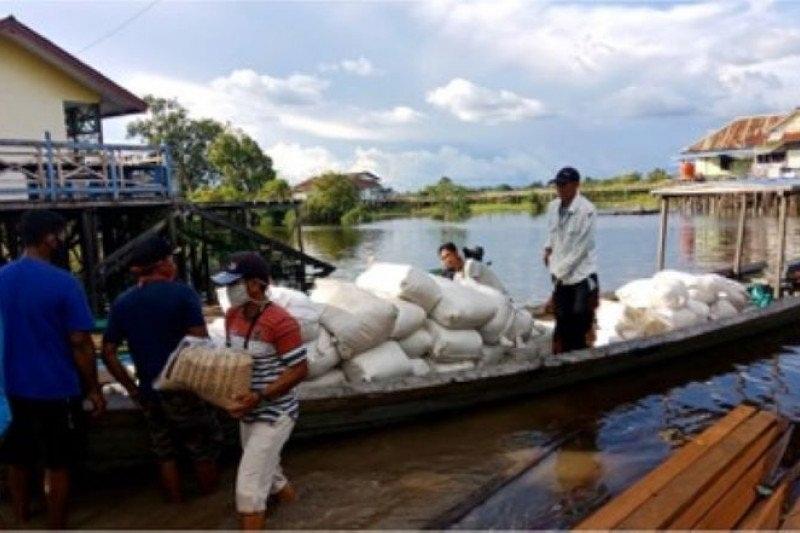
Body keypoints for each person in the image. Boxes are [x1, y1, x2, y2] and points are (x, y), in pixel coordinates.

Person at [0, 210, 105, 529]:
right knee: (58, 462)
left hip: (11, 387)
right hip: (55, 387)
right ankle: (56, 524)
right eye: (59, 235)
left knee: (19, 458)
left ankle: (20, 517)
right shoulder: (64, 283)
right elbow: (79, 342)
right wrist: (93, 387)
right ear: (49, 237)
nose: (61, 241)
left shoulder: (2, 277)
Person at [101, 235, 221, 503]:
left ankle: (177, 507)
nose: (174, 263)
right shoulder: (183, 294)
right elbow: (200, 343)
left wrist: (132, 390)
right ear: (163, 263)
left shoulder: (123, 303)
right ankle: (211, 510)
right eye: (171, 259)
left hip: (148, 391)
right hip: (183, 389)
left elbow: (108, 351)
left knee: (164, 452)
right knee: (201, 449)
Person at [213, 252, 308, 531]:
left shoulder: (281, 322)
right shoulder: (232, 316)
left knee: (249, 489)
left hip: (275, 413)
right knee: (272, 475)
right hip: (249, 412)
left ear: (255, 285)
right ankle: (301, 515)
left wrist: (261, 396)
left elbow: (300, 370)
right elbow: (237, 362)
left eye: (234, 284)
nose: (229, 291)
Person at [543, 167, 599, 354]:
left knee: (579, 319)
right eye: (557, 185)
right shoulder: (553, 207)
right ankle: (564, 358)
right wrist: (547, 248)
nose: (559, 189)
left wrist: (558, 274)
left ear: (576, 185)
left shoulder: (587, 211)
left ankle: (581, 355)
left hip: (581, 276)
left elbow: (580, 250)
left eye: (563, 185)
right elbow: (552, 234)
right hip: (560, 274)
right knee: (562, 319)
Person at [438, 242, 508, 294]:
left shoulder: (470, 264)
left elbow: (472, 289)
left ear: (456, 253)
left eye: (448, 255)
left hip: (501, 302)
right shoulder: (457, 277)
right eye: (443, 258)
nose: (447, 260)